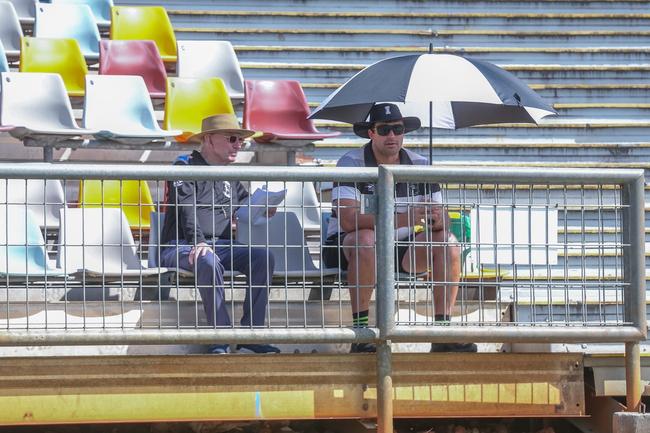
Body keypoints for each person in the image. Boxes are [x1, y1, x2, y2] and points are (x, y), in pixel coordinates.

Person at [323, 103, 477, 353]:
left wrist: (438, 220)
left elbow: (444, 221)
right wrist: (404, 219)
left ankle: (442, 330)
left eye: (397, 129)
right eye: (384, 129)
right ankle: (361, 333)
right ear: (371, 133)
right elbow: (349, 221)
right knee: (365, 239)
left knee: (448, 242)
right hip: (348, 246)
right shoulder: (351, 162)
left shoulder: (421, 164)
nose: (392, 136)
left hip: (402, 247)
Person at [160, 113, 280, 354]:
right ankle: (220, 336)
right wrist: (198, 243)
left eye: (241, 141)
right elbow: (187, 210)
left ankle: (251, 335)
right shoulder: (184, 166)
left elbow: (245, 204)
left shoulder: (229, 175)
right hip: (181, 245)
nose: (238, 145)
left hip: (222, 245)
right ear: (209, 140)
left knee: (263, 258)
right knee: (207, 259)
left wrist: (263, 207)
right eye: (232, 138)